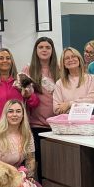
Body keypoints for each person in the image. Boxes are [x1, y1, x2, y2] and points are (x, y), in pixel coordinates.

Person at [23, 37, 58, 171]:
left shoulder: (59, 69)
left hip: (56, 126)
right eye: (41, 47)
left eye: (48, 47)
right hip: (36, 125)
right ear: (36, 50)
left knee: (54, 164)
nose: (44, 50)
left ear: (52, 50)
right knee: (38, 165)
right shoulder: (28, 70)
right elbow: (25, 96)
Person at [0, 48, 40, 128]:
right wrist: (2, 126)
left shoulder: (20, 80)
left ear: (11, 61)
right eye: (1, 58)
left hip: (19, 129)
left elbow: (35, 103)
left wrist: (29, 96)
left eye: (8, 58)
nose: (5, 60)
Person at [53, 48, 94, 115]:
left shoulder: (92, 79)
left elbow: (92, 101)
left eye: (73, 56)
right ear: (63, 63)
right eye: (67, 58)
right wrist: (82, 105)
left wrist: (69, 104)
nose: (71, 60)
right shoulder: (59, 83)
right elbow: (56, 109)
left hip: (88, 123)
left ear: (79, 59)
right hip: (67, 123)